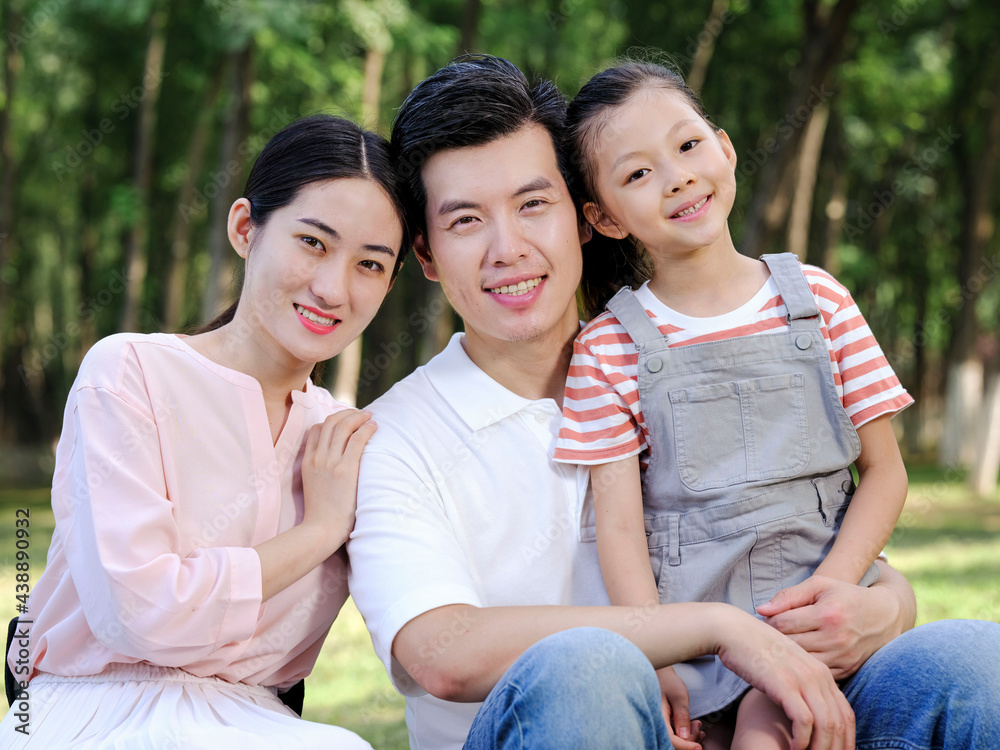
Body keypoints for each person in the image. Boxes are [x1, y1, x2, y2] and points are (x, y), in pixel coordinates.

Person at [347, 53, 1000, 750]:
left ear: (582, 218)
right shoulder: (397, 435)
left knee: (973, 659)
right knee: (586, 670)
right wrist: (699, 636)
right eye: (467, 221)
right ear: (425, 253)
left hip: (783, 695)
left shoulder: (690, 354)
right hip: (576, 723)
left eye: (533, 204)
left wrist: (885, 605)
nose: (509, 248)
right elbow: (439, 653)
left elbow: (798, 530)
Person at [0, 114, 409, 749]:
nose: (334, 288)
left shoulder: (347, 440)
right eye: (314, 243)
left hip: (260, 722)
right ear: (246, 228)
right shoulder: (130, 372)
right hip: (97, 715)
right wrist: (319, 532)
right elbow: (135, 614)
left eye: (371, 264)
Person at [551, 61, 910, 749]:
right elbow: (620, 532)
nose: (679, 176)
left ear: (724, 146)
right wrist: (653, 652)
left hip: (828, 612)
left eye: (687, 147)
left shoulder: (820, 302)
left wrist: (827, 600)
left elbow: (886, 473)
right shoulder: (607, 349)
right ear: (604, 217)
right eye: (637, 174)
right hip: (700, 639)